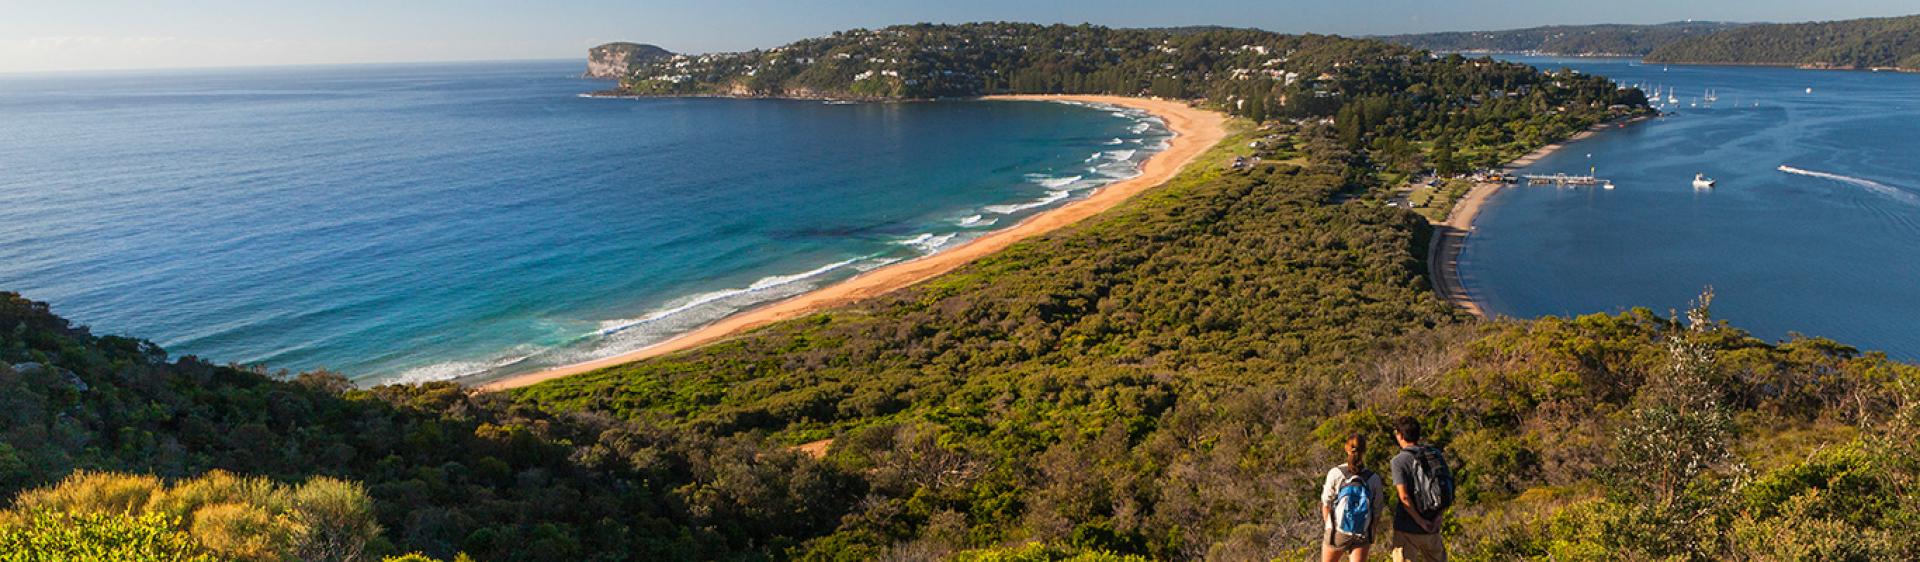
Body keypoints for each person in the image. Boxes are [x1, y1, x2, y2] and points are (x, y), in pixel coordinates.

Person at [1389, 417, 1449, 562]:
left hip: (1407, 527)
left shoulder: (1399, 461)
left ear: (1400, 435)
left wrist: (1420, 521)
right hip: (1433, 525)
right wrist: (1438, 518)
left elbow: (1404, 497)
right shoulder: (1435, 454)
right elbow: (1445, 488)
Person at [1320, 433, 1384, 562]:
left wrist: (1330, 526)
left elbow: (1326, 503)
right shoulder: (1373, 478)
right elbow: (1377, 509)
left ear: (1346, 448)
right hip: (1362, 532)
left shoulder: (1336, 473)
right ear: (1365, 450)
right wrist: (1370, 531)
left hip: (1337, 530)